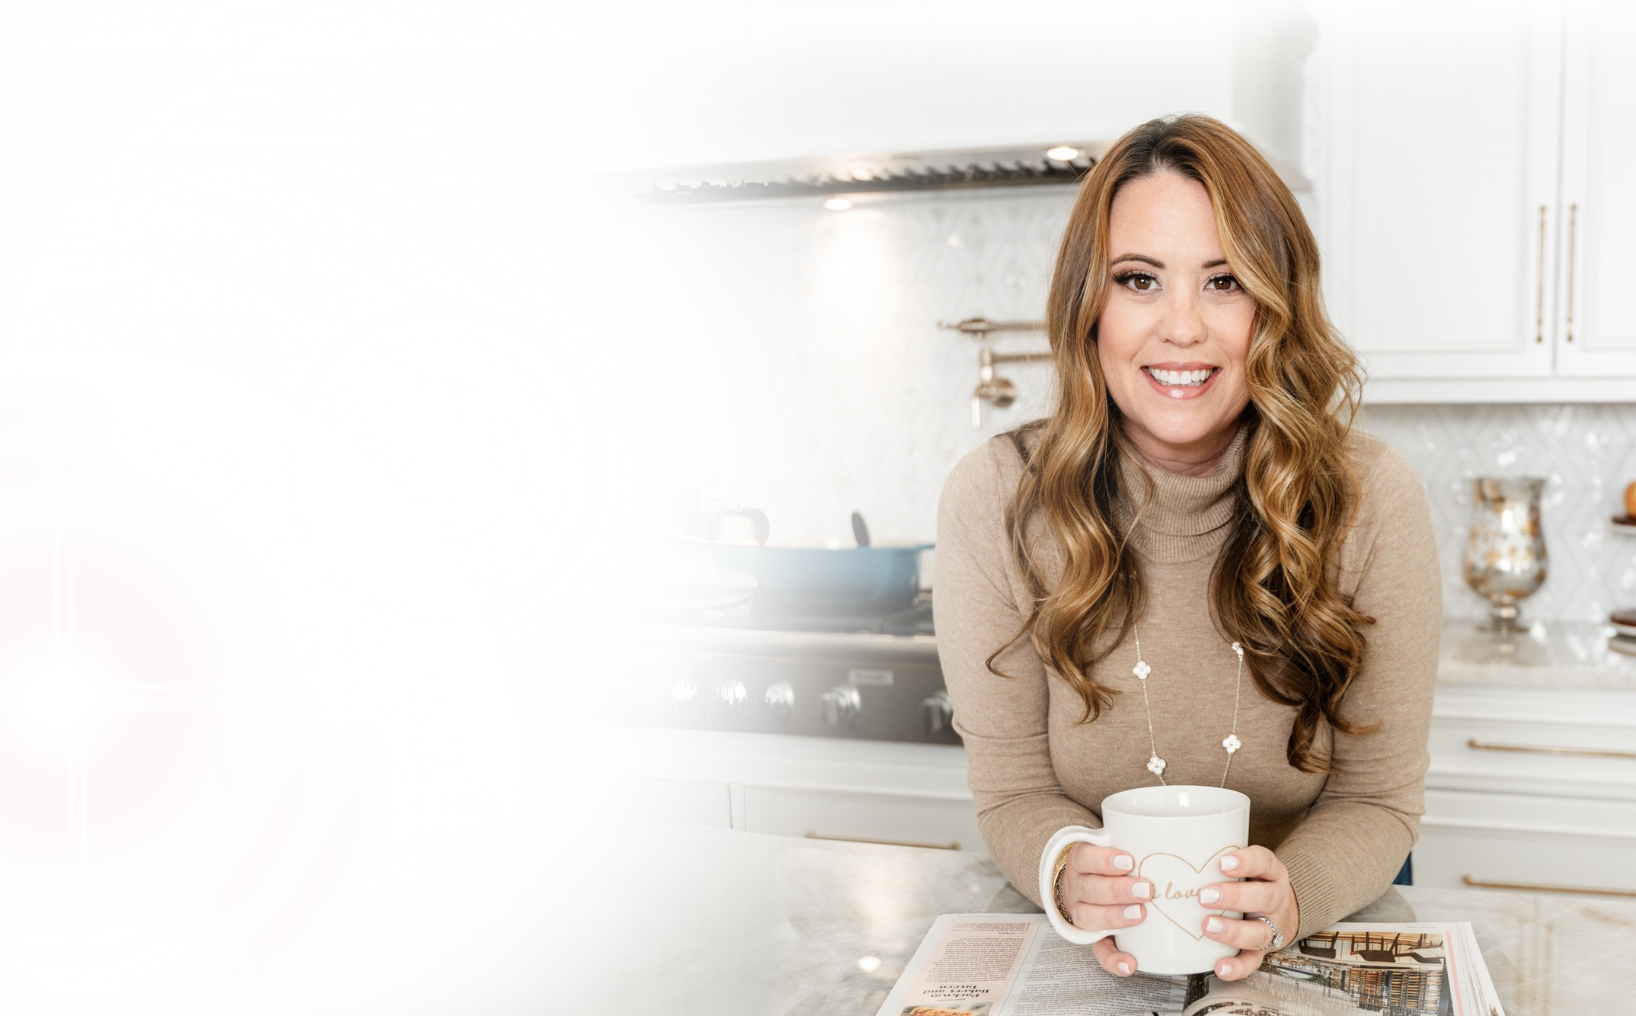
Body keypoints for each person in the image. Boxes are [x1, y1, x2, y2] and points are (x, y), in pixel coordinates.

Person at [933, 114, 1440, 982]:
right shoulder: (997, 497)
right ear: (1088, 304)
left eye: (1224, 281)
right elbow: (1013, 792)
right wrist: (1064, 867)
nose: (1181, 328)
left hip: (1309, 942)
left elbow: (1378, 799)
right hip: (1096, 963)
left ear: (1273, 306)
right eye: (1139, 279)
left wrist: (1293, 895)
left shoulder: (1369, 498)